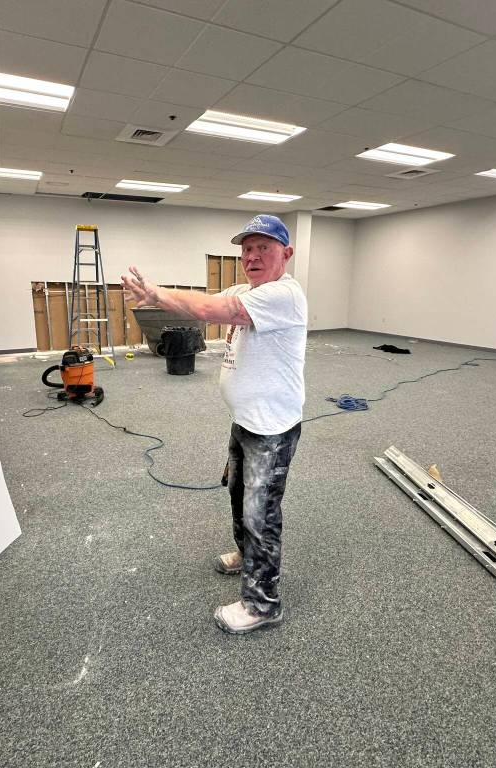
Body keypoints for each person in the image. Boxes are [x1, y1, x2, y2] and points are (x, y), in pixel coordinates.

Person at [121, 214, 307, 634]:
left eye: (263, 248)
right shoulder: (248, 288)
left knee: (261, 513)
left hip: (272, 428)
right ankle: (247, 555)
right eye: (247, 249)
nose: (252, 256)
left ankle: (263, 605)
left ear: (286, 254)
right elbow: (205, 298)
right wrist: (156, 299)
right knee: (239, 496)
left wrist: (157, 292)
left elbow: (208, 309)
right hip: (246, 420)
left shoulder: (284, 295)